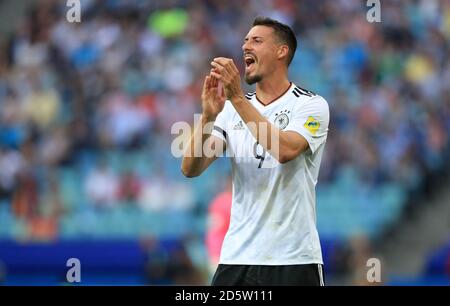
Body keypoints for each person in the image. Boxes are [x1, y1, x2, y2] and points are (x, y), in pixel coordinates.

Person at [181, 16, 329, 286]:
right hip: (238, 257)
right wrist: (207, 117)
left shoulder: (311, 106)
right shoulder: (229, 111)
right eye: (245, 41)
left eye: (256, 41)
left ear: (282, 51)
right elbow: (191, 168)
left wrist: (236, 99)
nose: (246, 46)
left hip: (292, 259)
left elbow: (284, 150)